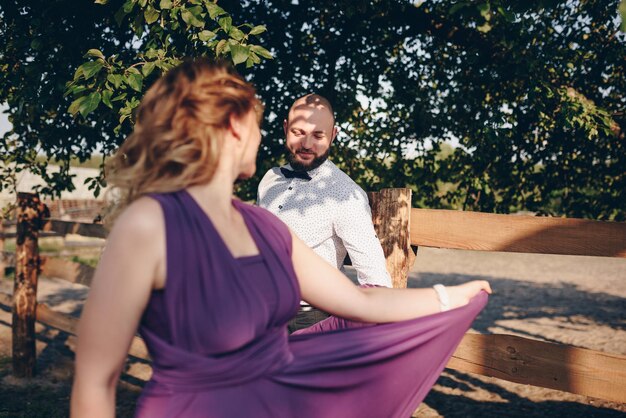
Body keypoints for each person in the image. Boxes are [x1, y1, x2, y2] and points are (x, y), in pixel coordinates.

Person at [70, 58, 491, 418]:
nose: (267, 134)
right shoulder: (149, 225)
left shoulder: (264, 227)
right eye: (260, 123)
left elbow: (364, 299)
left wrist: (449, 297)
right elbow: (95, 379)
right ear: (235, 127)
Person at [258, 93, 392, 331]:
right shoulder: (269, 179)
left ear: (333, 135)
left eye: (318, 135)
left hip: (308, 318)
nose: (307, 144)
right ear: (286, 128)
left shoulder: (345, 194)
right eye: (298, 132)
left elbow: (375, 278)